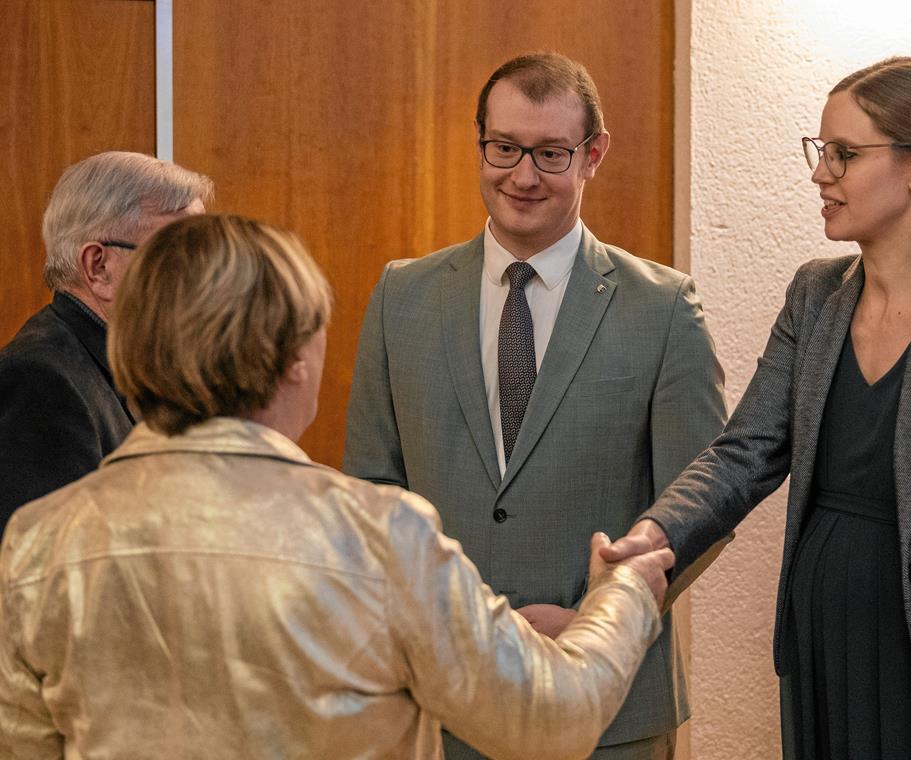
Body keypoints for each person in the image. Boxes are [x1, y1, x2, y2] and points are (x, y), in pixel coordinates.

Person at [0, 214, 676, 760]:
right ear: (295, 361)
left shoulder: (37, 543)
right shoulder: (380, 535)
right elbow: (550, 720)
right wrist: (623, 597)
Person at [604, 57, 911, 759]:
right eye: (820, 150)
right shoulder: (815, 295)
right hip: (828, 665)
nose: (820, 173)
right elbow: (743, 454)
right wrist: (654, 535)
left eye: (844, 154)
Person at [344, 52, 725, 759]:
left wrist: (599, 622)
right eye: (505, 148)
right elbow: (373, 492)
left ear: (593, 155)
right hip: (438, 704)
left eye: (551, 153)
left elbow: (701, 507)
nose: (522, 176)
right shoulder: (403, 297)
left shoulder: (664, 309)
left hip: (610, 712)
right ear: (480, 143)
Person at [0, 151, 211, 530]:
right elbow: (52, 569)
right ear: (98, 266)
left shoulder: (141, 361)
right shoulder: (40, 380)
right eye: (176, 253)